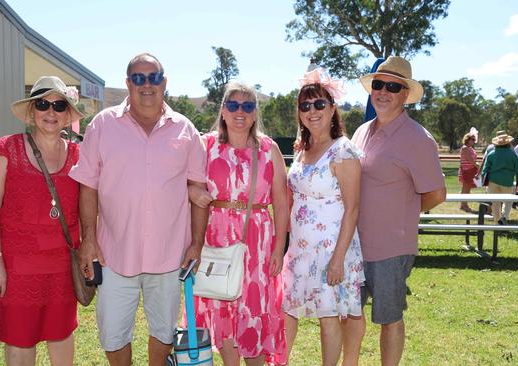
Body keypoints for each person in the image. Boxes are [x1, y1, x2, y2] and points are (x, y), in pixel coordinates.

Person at [68, 53, 208, 366]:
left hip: (169, 254)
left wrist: (196, 244)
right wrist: (88, 239)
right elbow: (87, 185)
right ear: (129, 84)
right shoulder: (103, 125)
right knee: (114, 334)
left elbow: (199, 192)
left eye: (154, 77)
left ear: (165, 83)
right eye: (139, 78)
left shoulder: (185, 131)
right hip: (114, 252)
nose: (147, 84)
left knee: (164, 330)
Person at [0, 76, 84, 365]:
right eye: (42, 104)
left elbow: (92, 208)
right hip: (17, 269)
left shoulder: (80, 155)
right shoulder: (7, 149)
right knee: (19, 340)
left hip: (63, 268)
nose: (51, 112)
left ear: (67, 115)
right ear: (31, 111)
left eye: (59, 105)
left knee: (62, 335)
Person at [350, 56, 446, 366]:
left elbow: (437, 193)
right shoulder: (362, 131)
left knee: (389, 318)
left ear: (405, 94)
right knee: (350, 313)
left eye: (392, 86)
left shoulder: (418, 139)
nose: (383, 91)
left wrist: (402, 215)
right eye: (378, 84)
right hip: (352, 244)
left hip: (391, 248)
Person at [187, 82, 288, 365]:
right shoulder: (205, 145)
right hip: (214, 238)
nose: (239, 111)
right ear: (222, 111)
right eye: (232, 105)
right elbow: (185, 183)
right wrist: (193, 191)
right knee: (221, 304)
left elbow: (281, 202)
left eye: (247, 106)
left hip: (257, 243)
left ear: (255, 113)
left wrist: (279, 247)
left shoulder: (269, 149)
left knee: (254, 307)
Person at [281, 68, 365, 366]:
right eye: (305, 105)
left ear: (332, 108)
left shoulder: (343, 152)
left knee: (329, 317)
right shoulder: (302, 149)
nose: (312, 111)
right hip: (301, 248)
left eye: (319, 104)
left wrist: (338, 258)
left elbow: (353, 208)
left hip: (332, 249)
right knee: (286, 309)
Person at [482, 133, 518, 224]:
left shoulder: (491, 154)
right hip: (507, 182)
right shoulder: (512, 154)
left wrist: (483, 181)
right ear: (508, 144)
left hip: (492, 182)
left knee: (495, 203)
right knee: (508, 201)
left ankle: (498, 220)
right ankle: (504, 216)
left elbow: (484, 170)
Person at [458, 132, 479, 212]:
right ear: (467, 140)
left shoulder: (470, 148)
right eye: (472, 139)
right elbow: (471, 160)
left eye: (474, 139)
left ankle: (463, 204)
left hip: (471, 171)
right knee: (465, 188)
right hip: (466, 171)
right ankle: (464, 205)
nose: (474, 141)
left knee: (467, 188)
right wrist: (478, 166)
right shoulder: (465, 148)